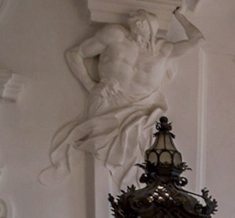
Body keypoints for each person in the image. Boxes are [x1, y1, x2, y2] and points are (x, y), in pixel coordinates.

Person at [49, 8, 204, 176]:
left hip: (143, 110)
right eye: (135, 19)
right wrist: (90, 85)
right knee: (103, 154)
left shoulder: (163, 50)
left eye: (142, 20)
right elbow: (74, 54)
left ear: (152, 27)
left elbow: (197, 39)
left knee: (137, 165)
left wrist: (179, 15)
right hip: (108, 104)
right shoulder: (115, 36)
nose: (136, 22)